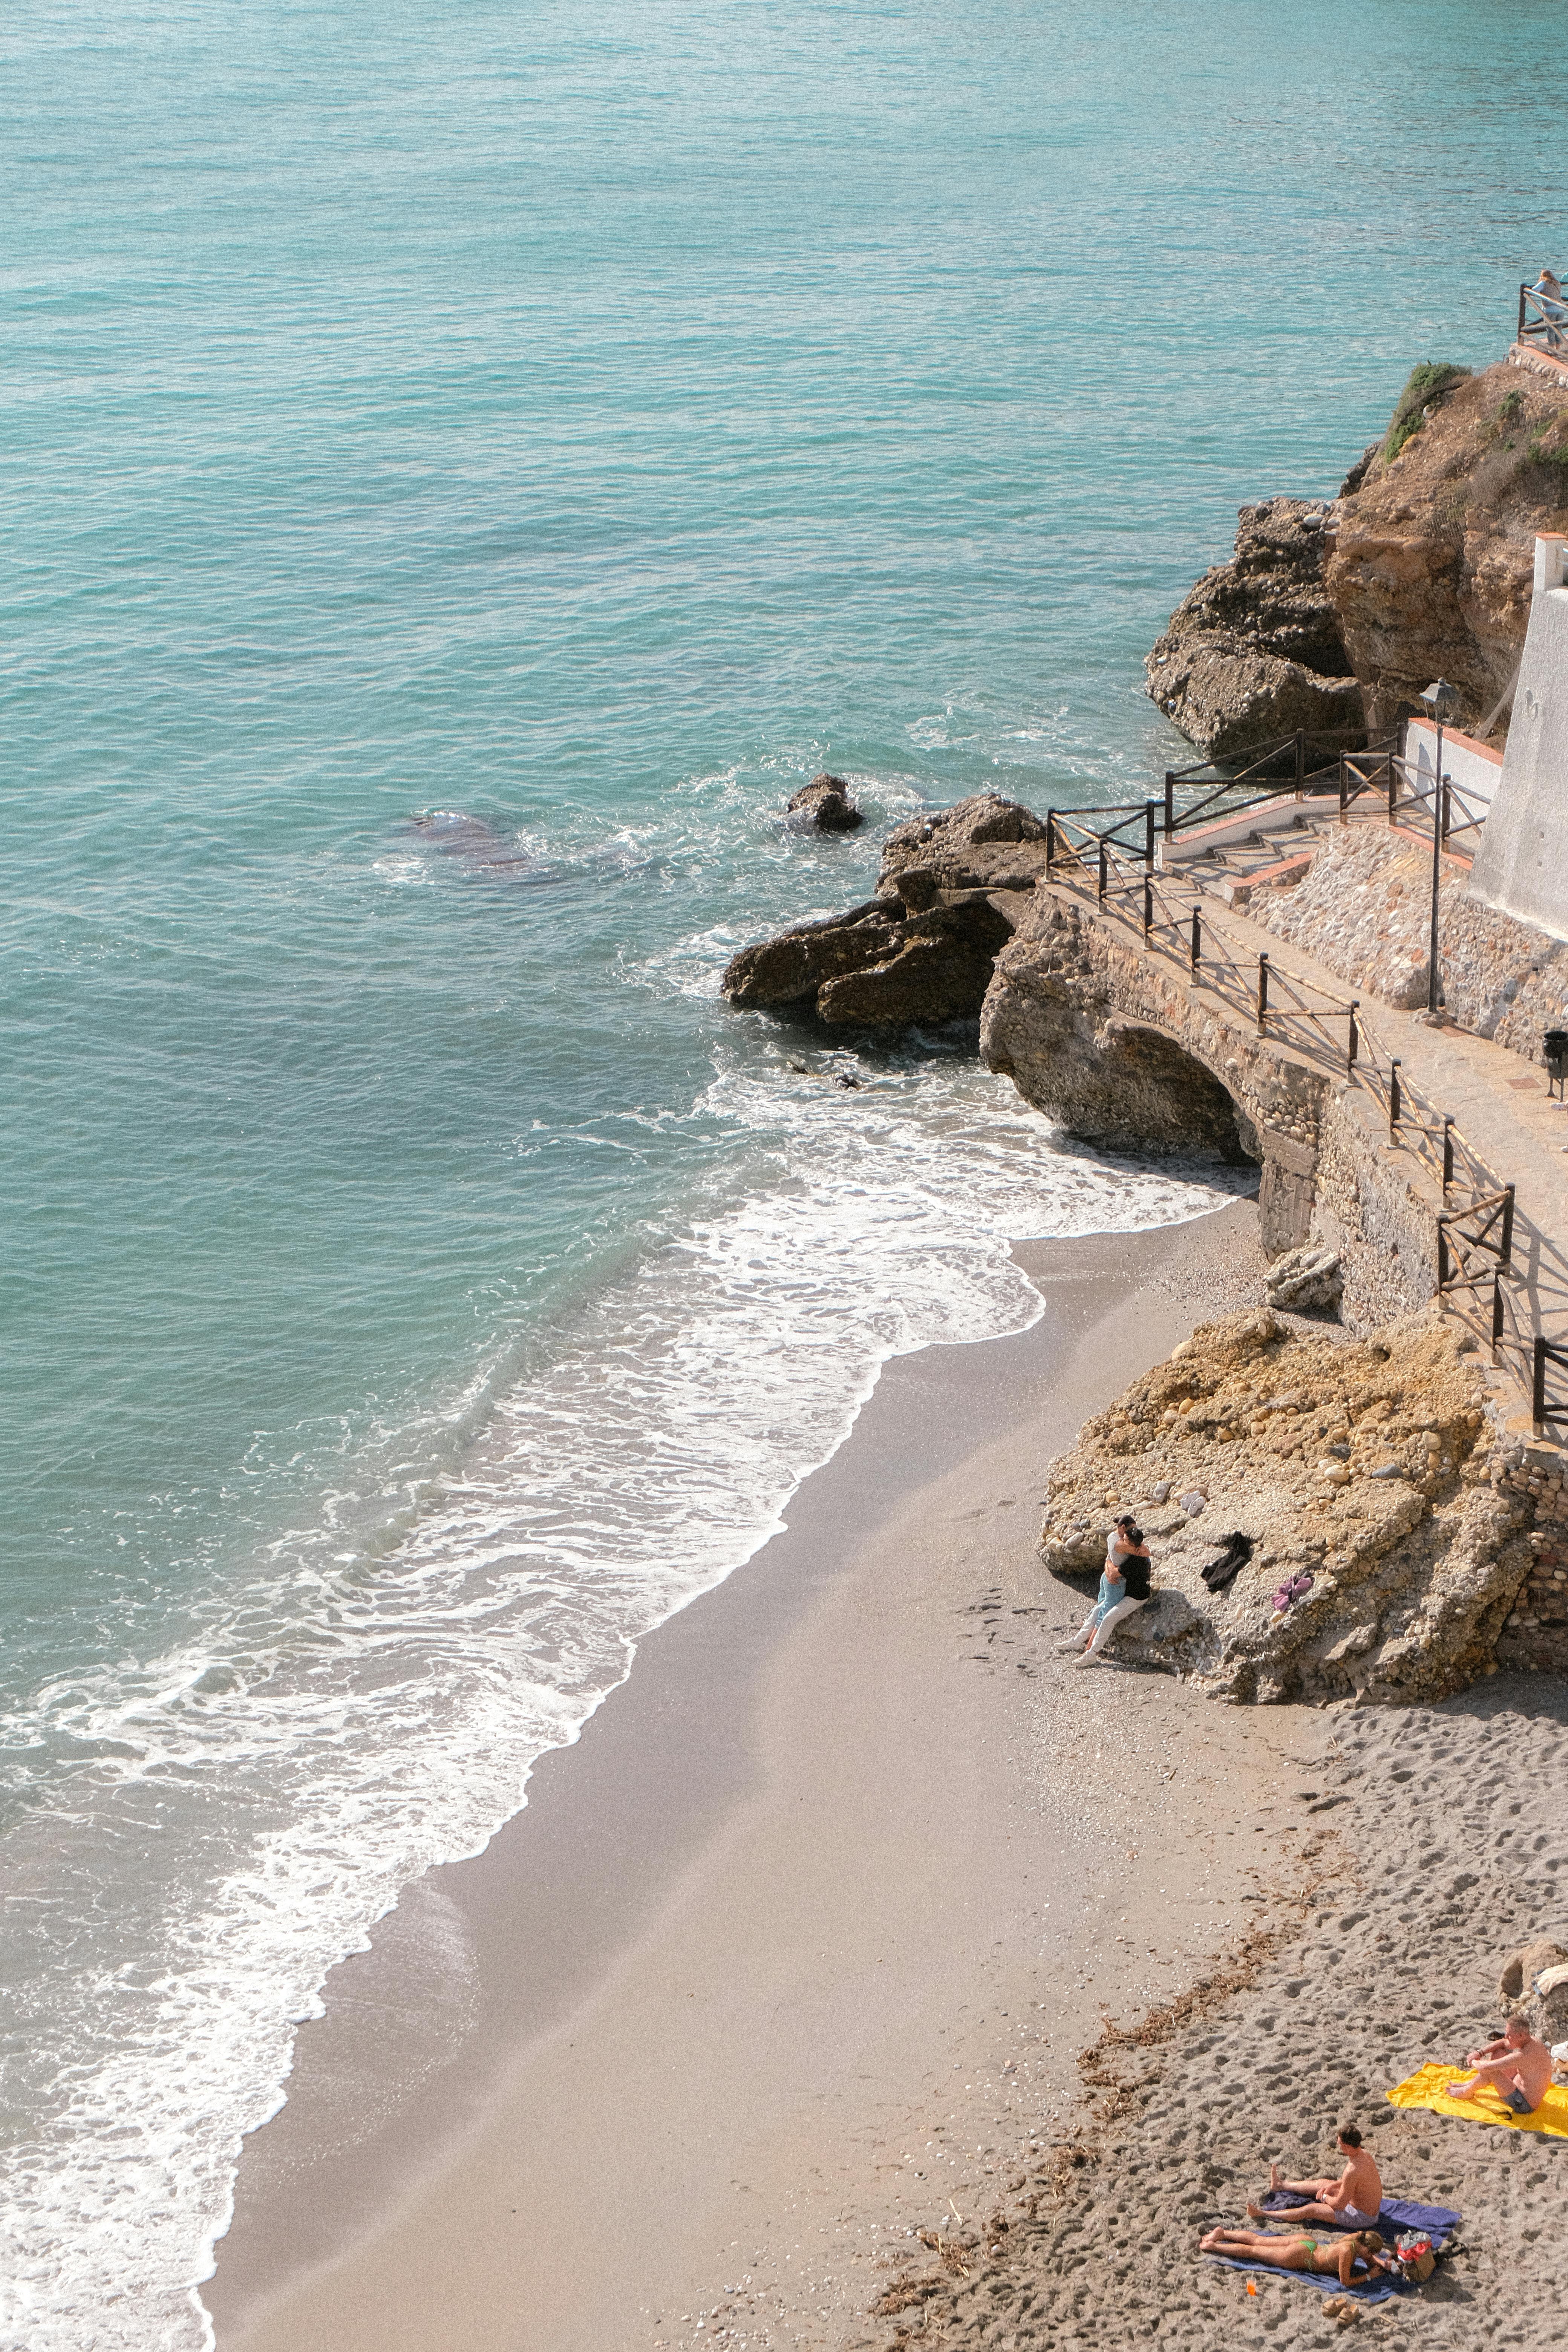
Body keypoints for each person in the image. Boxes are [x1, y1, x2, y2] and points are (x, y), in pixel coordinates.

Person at [1056, 1516, 1152, 1666]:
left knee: (1108, 1618)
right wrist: (1109, 1562)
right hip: (1129, 1591)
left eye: (1125, 1540)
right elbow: (1112, 1558)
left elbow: (1114, 1574)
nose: (1122, 1541)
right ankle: (1076, 1641)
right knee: (1097, 1611)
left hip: (1136, 1597)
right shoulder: (1133, 1554)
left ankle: (1092, 1653)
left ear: (1133, 1545)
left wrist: (1109, 1565)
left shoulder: (1135, 1562)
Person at [1249, 2125, 1383, 2227]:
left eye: (1340, 2143)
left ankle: (1263, 2214)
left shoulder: (1352, 2170)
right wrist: (1331, 2185)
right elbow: (1355, 2182)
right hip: (1361, 2205)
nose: (1338, 2144)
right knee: (1323, 2183)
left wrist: (1325, 2197)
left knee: (1310, 2210)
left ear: (1347, 2146)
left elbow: (1340, 2205)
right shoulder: (1365, 2155)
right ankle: (1281, 2185)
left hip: (1362, 2217)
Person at [1200, 2224, 1393, 2289]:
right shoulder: (1346, 2253)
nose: (1369, 2257)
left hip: (1308, 2243)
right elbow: (1345, 2282)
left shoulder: (1355, 2238)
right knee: (1253, 2252)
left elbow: (1368, 2259)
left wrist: (1380, 2264)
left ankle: (1223, 2233)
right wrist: (1370, 2277)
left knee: (1259, 2240)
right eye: (1371, 2253)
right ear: (1366, 2247)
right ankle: (1214, 2246)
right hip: (1302, 2258)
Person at [1450, 2012, 1553, 2115]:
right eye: (1506, 2032)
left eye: (1509, 2035)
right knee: (1499, 2052)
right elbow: (1503, 2043)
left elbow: (1485, 2067)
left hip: (1524, 2104)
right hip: (1519, 2084)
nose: (1506, 2036)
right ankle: (1470, 2084)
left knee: (1491, 2070)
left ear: (1521, 2035)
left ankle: (1466, 2092)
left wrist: (1472, 2060)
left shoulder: (1523, 2056)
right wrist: (1480, 2053)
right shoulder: (1533, 2040)